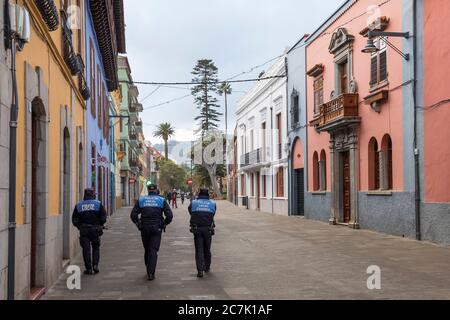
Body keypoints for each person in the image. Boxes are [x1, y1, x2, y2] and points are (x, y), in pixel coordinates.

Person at [131, 183, 173, 281]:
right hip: (156, 228)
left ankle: (148, 268)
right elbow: (170, 216)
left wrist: (138, 224)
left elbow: (133, 215)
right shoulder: (161, 200)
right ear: (156, 190)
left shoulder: (141, 200)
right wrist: (164, 224)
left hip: (144, 227)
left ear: (148, 190)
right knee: (153, 250)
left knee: (147, 249)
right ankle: (151, 273)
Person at [72, 189, 107, 275]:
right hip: (95, 230)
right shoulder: (98, 204)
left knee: (86, 249)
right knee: (95, 247)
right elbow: (103, 217)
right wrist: (100, 225)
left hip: (84, 230)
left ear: (84, 195)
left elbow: (74, 219)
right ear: (93, 195)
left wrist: (79, 226)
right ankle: (95, 265)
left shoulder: (79, 205)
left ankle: (88, 268)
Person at [188, 188, 216, 278]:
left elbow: (190, 211)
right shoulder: (212, 203)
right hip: (208, 229)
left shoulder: (194, 203)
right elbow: (213, 213)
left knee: (199, 249)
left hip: (197, 228)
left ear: (199, 194)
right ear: (208, 194)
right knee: (207, 249)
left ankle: (200, 270)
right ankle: (207, 267)